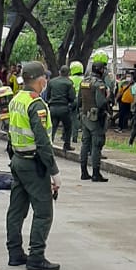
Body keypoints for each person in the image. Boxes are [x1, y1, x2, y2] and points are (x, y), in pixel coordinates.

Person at [6, 61, 61, 270]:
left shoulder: (16, 99)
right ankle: (36, 257)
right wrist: (54, 172)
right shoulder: (36, 104)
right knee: (44, 212)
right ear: (40, 80)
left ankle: (15, 253)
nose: (46, 81)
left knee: (16, 210)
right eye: (44, 78)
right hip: (32, 164)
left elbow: (11, 132)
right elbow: (43, 142)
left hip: (18, 160)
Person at [79, 51, 111, 182]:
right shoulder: (99, 84)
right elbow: (101, 103)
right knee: (96, 145)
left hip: (84, 116)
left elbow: (79, 100)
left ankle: (83, 172)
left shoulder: (84, 82)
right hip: (95, 118)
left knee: (85, 144)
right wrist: (108, 96)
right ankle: (96, 173)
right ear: (100, 70)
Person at [46, 65, 76, 150]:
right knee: (68, 127)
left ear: (60, 72)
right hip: (64, 108)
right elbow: (72, 97)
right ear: (68, 73)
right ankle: (67, 145)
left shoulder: (51, 82)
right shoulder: (69, 83)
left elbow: (48, 95)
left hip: (52, 107)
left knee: (52, 127)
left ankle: (49, 144)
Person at [68, 61, 84, 142]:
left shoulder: (69, 79)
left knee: (70, 118)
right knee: (78, 118)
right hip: (81, 100)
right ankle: (76, 136)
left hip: (72, 99)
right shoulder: (83, 79)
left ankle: (66, 135)